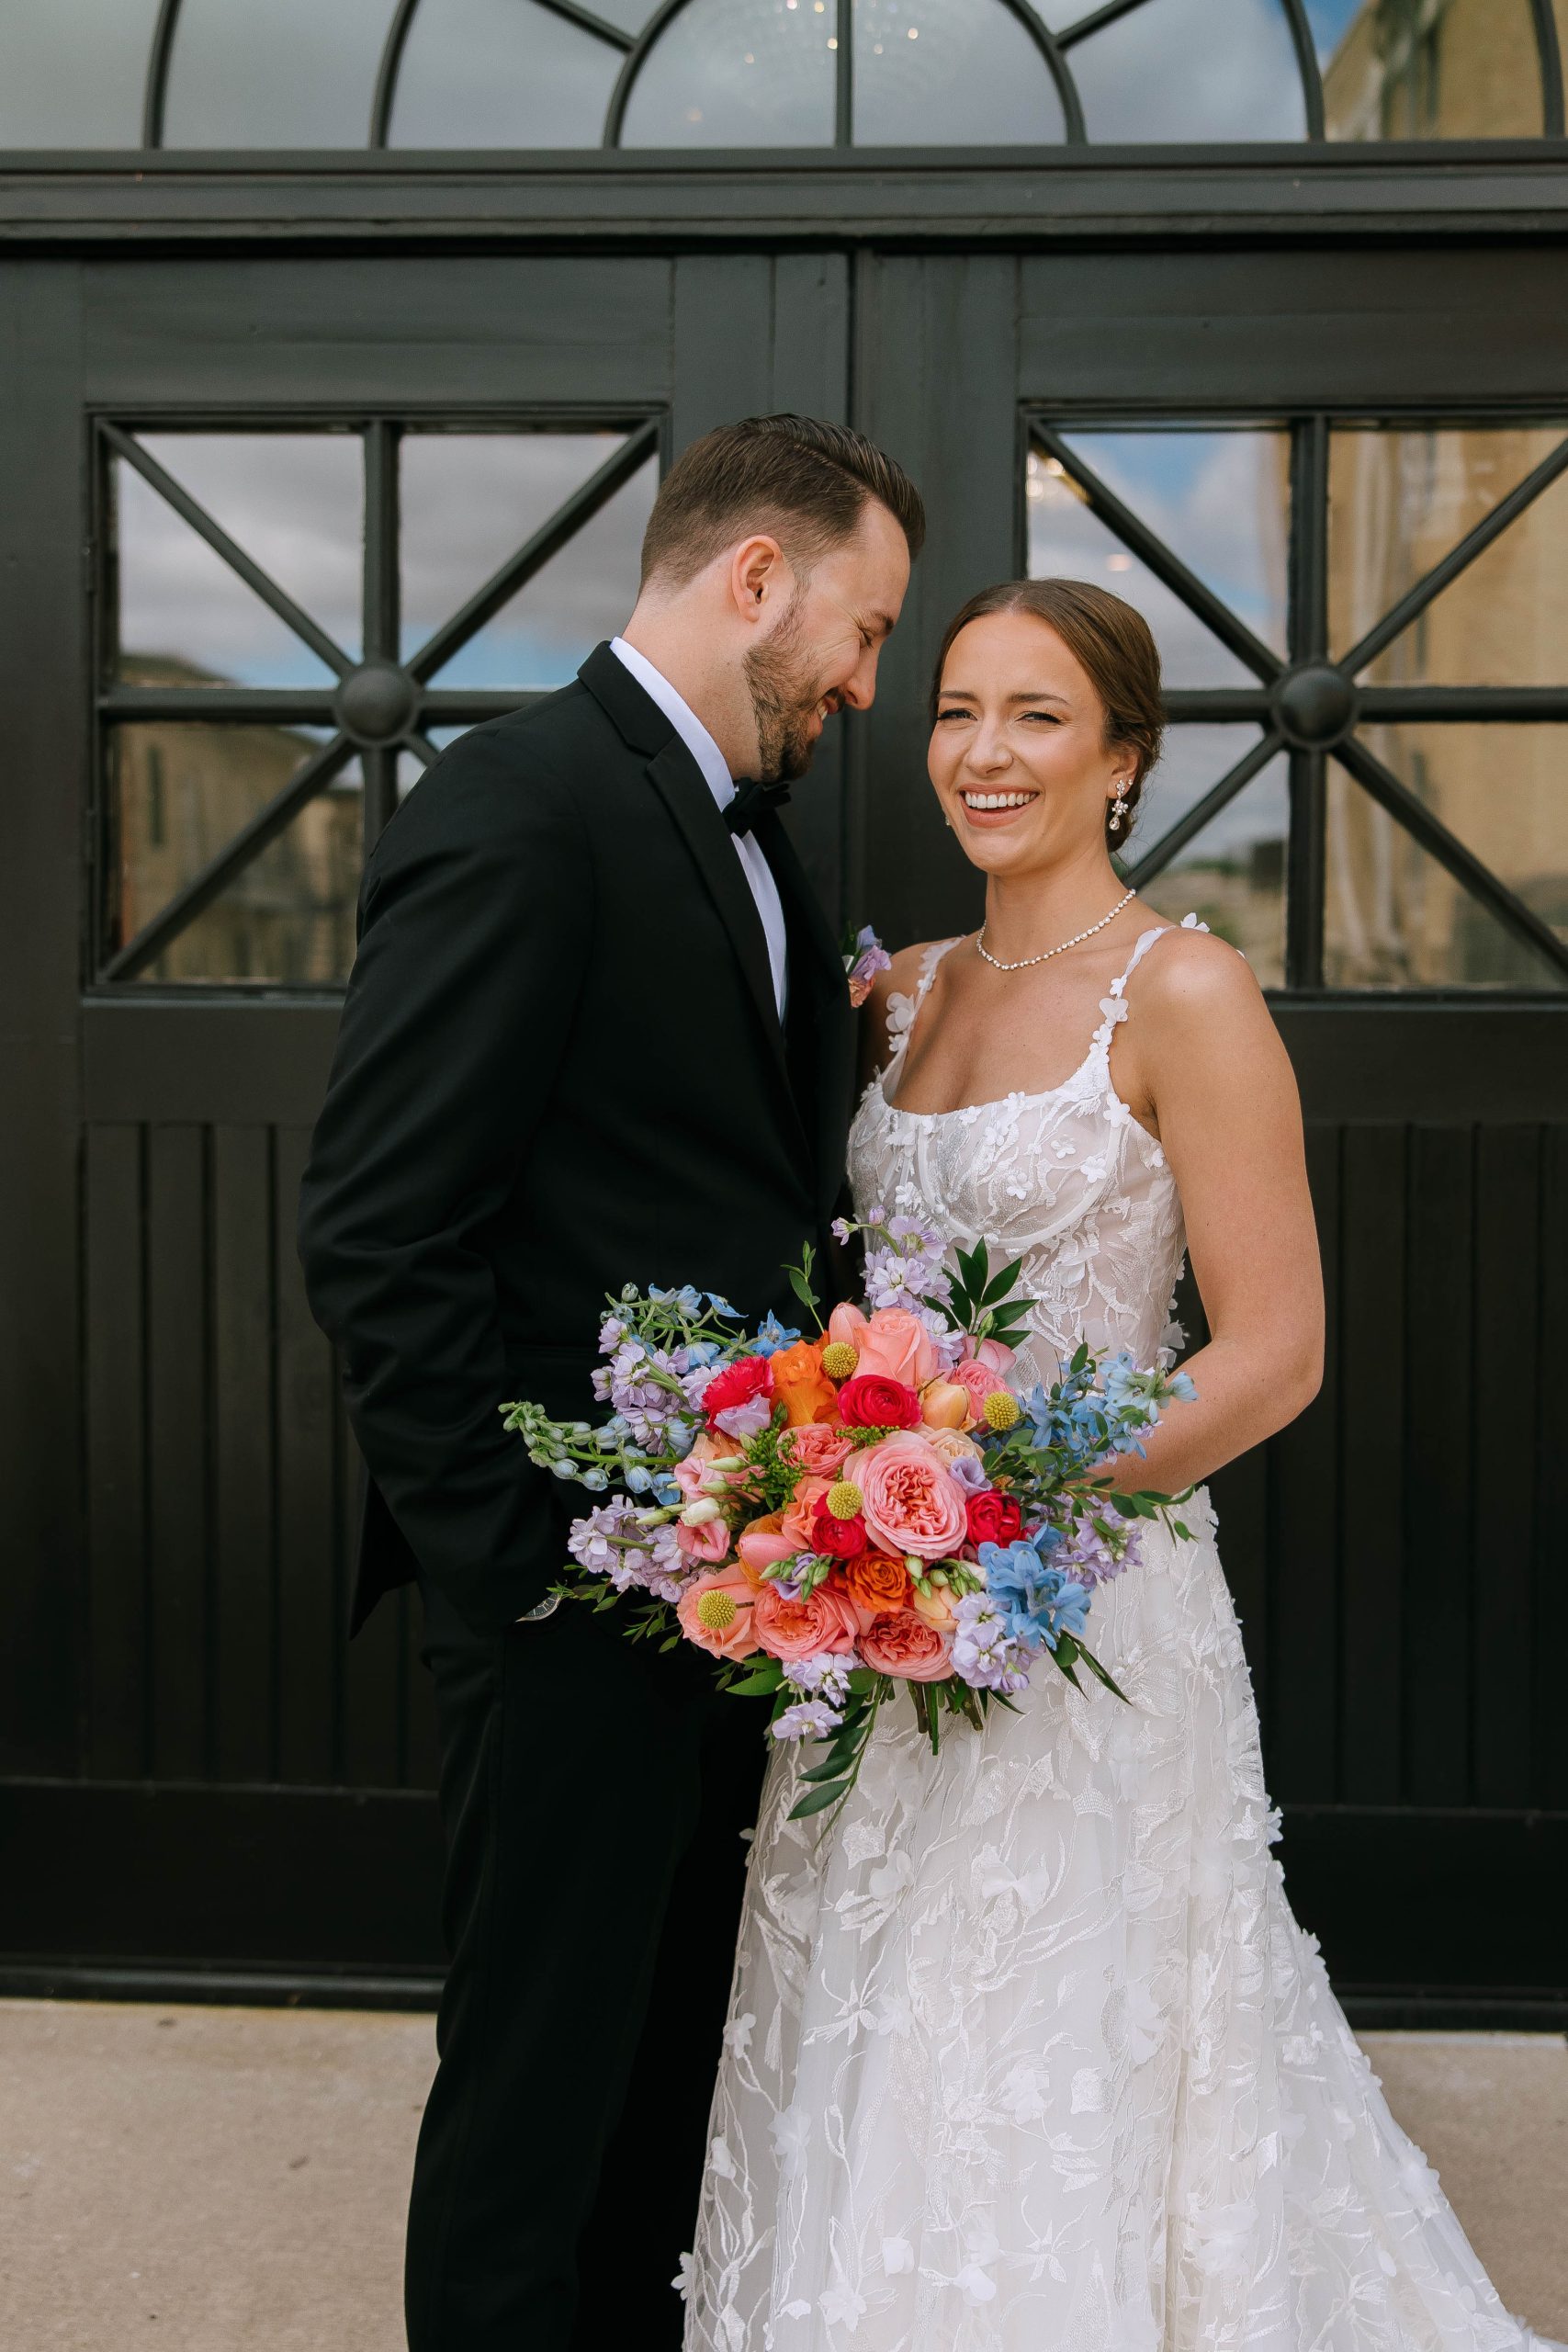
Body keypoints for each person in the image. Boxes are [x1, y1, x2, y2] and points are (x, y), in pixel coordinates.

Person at [684, 578, 1560, 2349]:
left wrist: (1005, 1507)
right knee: (875, 2020)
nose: (982, 755)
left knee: (1058, 2031)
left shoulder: (1187, 991)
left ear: (1123, 761)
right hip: (876, 1619)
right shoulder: (895, 995)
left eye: (1035, 717)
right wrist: (843, 1498)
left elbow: (1275, 1352)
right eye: (953, 711)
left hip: (1082, 1616)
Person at [297, 413, 923, 2352]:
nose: (868, 683)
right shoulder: (520, 802)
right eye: (868, 627)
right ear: (758, 577)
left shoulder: (752, 838)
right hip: (569, 1599)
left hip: (727, 1604)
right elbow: (379, 1225)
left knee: (664, 2095)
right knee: (532, 2105)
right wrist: (521, 1569)